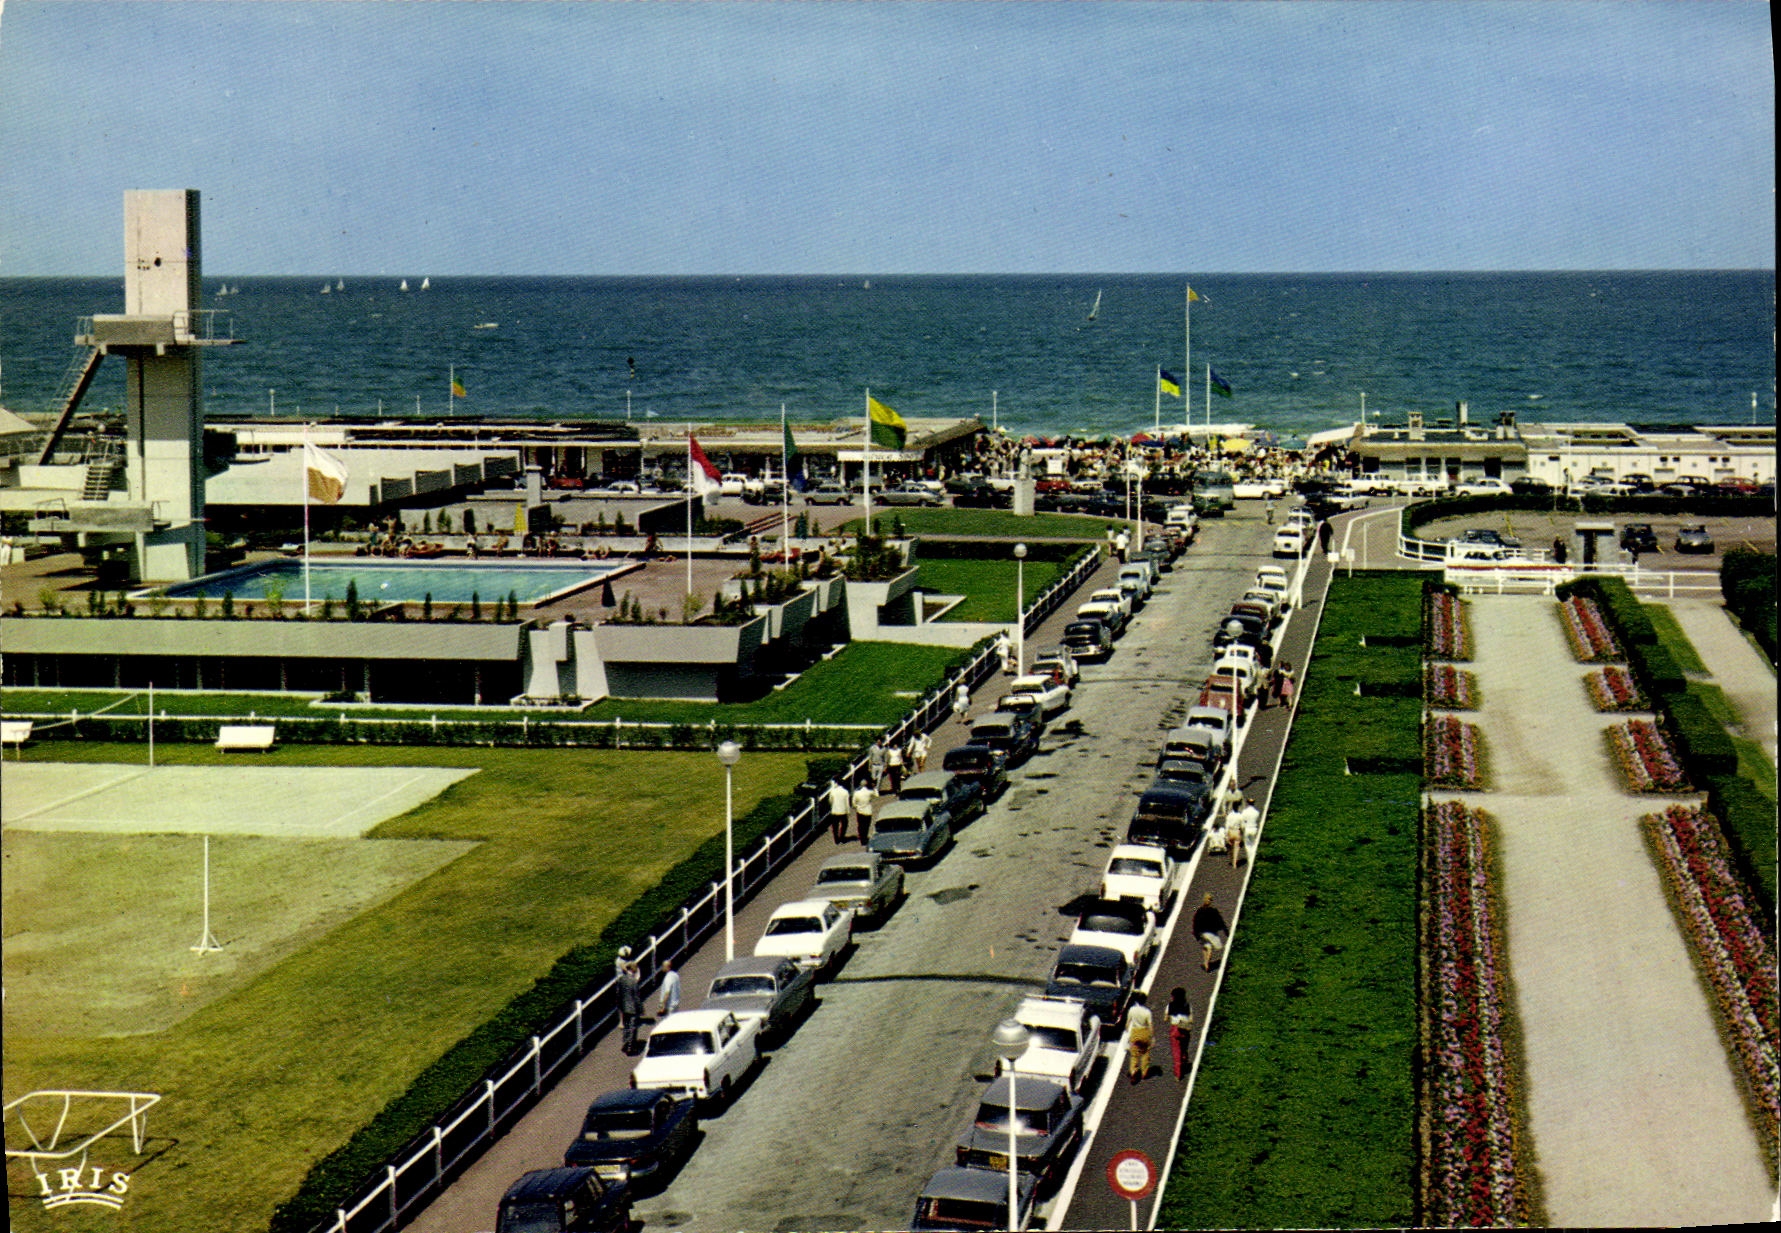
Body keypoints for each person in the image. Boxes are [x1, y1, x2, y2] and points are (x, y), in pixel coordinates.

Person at [1193, 893, 1229, 972]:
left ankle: (1205, 962)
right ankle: (1207, 963)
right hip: (1210, 933)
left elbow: (1195, 922)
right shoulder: (1213, 911)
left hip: (1201, 932)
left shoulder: (1199, 910)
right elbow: (1220, 921)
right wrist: (1226, 931)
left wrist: (1196, 933)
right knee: (1210, 948)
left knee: (1205, 946)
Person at [1165, 987, 1195, 1080]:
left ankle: (1178, 1073)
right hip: (1185, 1029)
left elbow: (1166, 1018)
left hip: (1175, 1029)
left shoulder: (1170, 1006)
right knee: (1184, 1048)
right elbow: (1191, 1019)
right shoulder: (1187, 1005)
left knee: (1176, 1051)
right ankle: (1184, 1062)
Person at [617, 959, 645, 1054]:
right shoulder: (634, 981)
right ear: (633, 970)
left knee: (626, 1027)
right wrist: (641, 1009)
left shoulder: (621, 979)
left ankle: (625, 1044)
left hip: (624, 1007)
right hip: (633, 1008)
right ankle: (630, 1047)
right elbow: (636, 997)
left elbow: (619, 995)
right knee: (633, 1028)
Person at [1126, 990, 1154, 1085]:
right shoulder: (1147, 1012)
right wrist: (1152, 1037)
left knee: (1134, 1055)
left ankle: (1133, 1071)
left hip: (1135, 1032)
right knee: (1145, 1052)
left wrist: (1128, 1032)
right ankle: (1144, 1072)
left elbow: (1127, 1023)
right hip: (1144, 1032)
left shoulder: (1132, 1010)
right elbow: (1150, 1026)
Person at [851, 779, 877, 844]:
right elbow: (877, 795)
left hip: (860, 811)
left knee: (860, 825)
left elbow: (853, 803)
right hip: (868, 811)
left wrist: (857, 806)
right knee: (866, 825)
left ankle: (862, 837)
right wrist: (874, 788)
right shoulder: (869, 792)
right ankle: (865, 837)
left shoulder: (856, 793)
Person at [826, 777, 851, 843]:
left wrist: (832, 806)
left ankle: (836, 838)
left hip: (835, 811)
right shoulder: (845, 792)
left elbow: (830, 801)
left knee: (835, 826)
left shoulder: (833, 791)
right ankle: (842, 837)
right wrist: (848, 811)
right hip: (843, 811)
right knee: (844, 824)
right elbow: (847, 803)